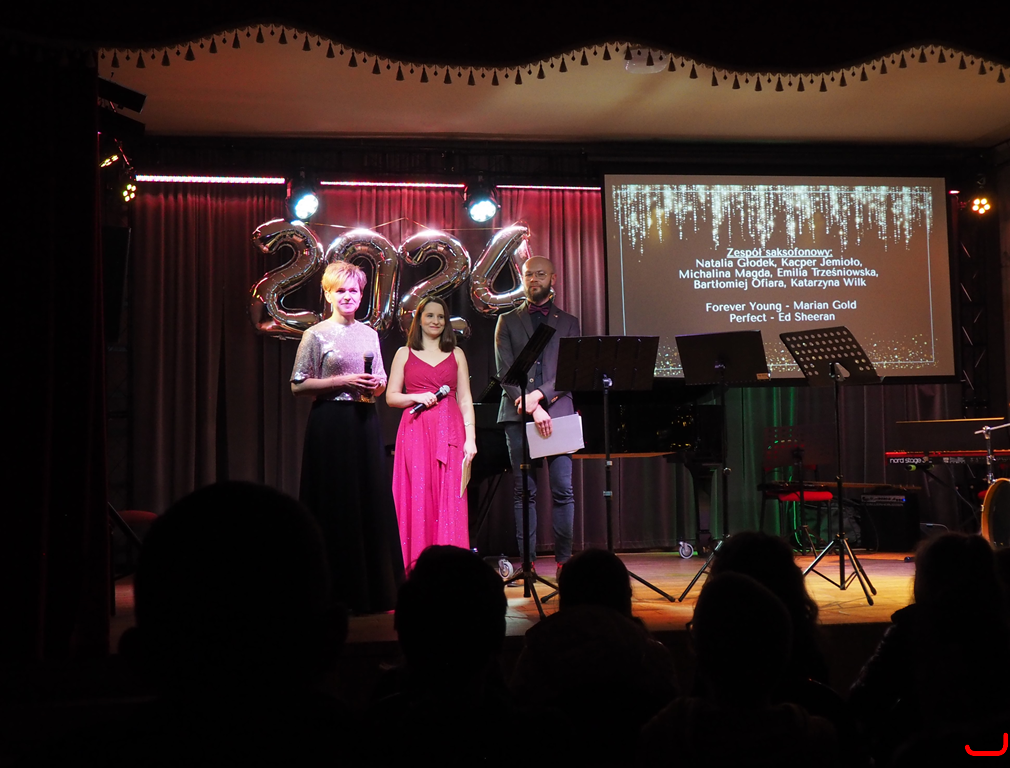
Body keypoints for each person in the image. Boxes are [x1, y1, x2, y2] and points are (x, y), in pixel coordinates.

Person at [291, 260, 404, 614]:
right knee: (335, 502)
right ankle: (333, 591)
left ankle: (375, 591)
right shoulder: (316, 335)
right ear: (328, 294)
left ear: (362, 294)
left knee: (368, 500)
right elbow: (298, 385)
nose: (348, 296)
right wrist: (342, 381)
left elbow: (381, 380)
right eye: (340, 290)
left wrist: (376, 384)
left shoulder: (370, 334)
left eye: (353, 290)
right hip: (330, 424)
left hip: (364, 422)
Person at [494, 255, 580, 578]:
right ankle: (527, 565)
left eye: (540, 274)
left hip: (558, 411)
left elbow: (570, 369)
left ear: (553, 279)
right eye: (529, 274)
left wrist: (541, 396)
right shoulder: (506, 320)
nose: (534, 280)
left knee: (563, 490)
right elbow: (504, 372)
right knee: (523, 492)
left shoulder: (569, 322)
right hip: (518, 413)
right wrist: (530, 404)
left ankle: (564, 564)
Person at [386, 296, 477, 569]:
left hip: (451, 433)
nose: (436, 321)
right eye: (430, 316)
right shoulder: (404, 354)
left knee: (451, 499)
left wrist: (471, 439)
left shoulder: (456, 354)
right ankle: (416, 567)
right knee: (418, 496)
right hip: (415, 432)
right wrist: (416, 396)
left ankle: (451, 569)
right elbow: (391, 397)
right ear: (419, 319)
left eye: (441, 317)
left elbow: (465, 399)